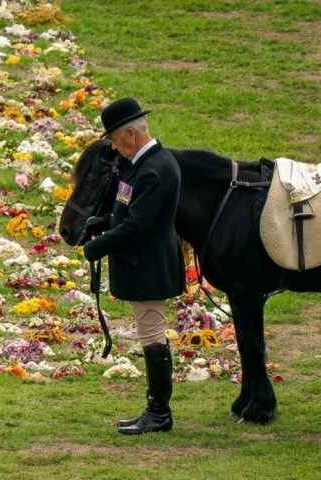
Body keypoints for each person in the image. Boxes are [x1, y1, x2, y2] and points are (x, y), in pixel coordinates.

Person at [83, 97, 185, 435]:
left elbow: (138, 226)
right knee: (148, 332)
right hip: (143, 261)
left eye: (114, 139)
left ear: (130, 133)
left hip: (150, 263)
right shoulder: (140, 164)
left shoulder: (156, 170)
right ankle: (156, 410)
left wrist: (99, 246)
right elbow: (126, 208)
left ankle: (158, 413)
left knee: (152, 334)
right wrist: (103, 221)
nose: (114, 147)